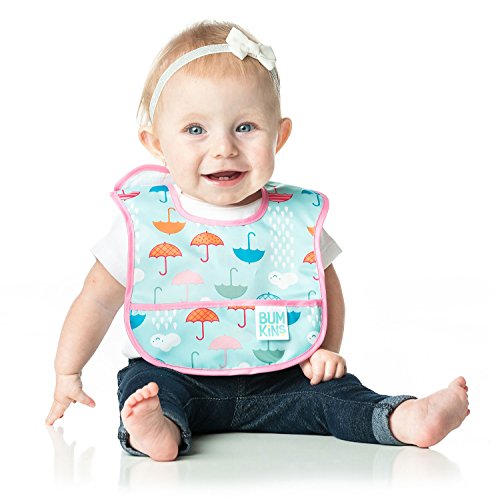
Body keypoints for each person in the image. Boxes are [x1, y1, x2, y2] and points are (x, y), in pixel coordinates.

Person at [46, 20, 470, 462]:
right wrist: (67, 371)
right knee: (143, 388)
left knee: (336, 393)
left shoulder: (294, 218)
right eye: (196, 130)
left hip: (281, 375)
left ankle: (403, 418)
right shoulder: (146, 221)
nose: (224, 148)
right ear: (155, 144)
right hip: (173, 369)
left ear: (279, 135)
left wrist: (324, 350)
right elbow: (96, 300)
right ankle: (157, 428)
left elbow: (324, 288)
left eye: (245, 127)